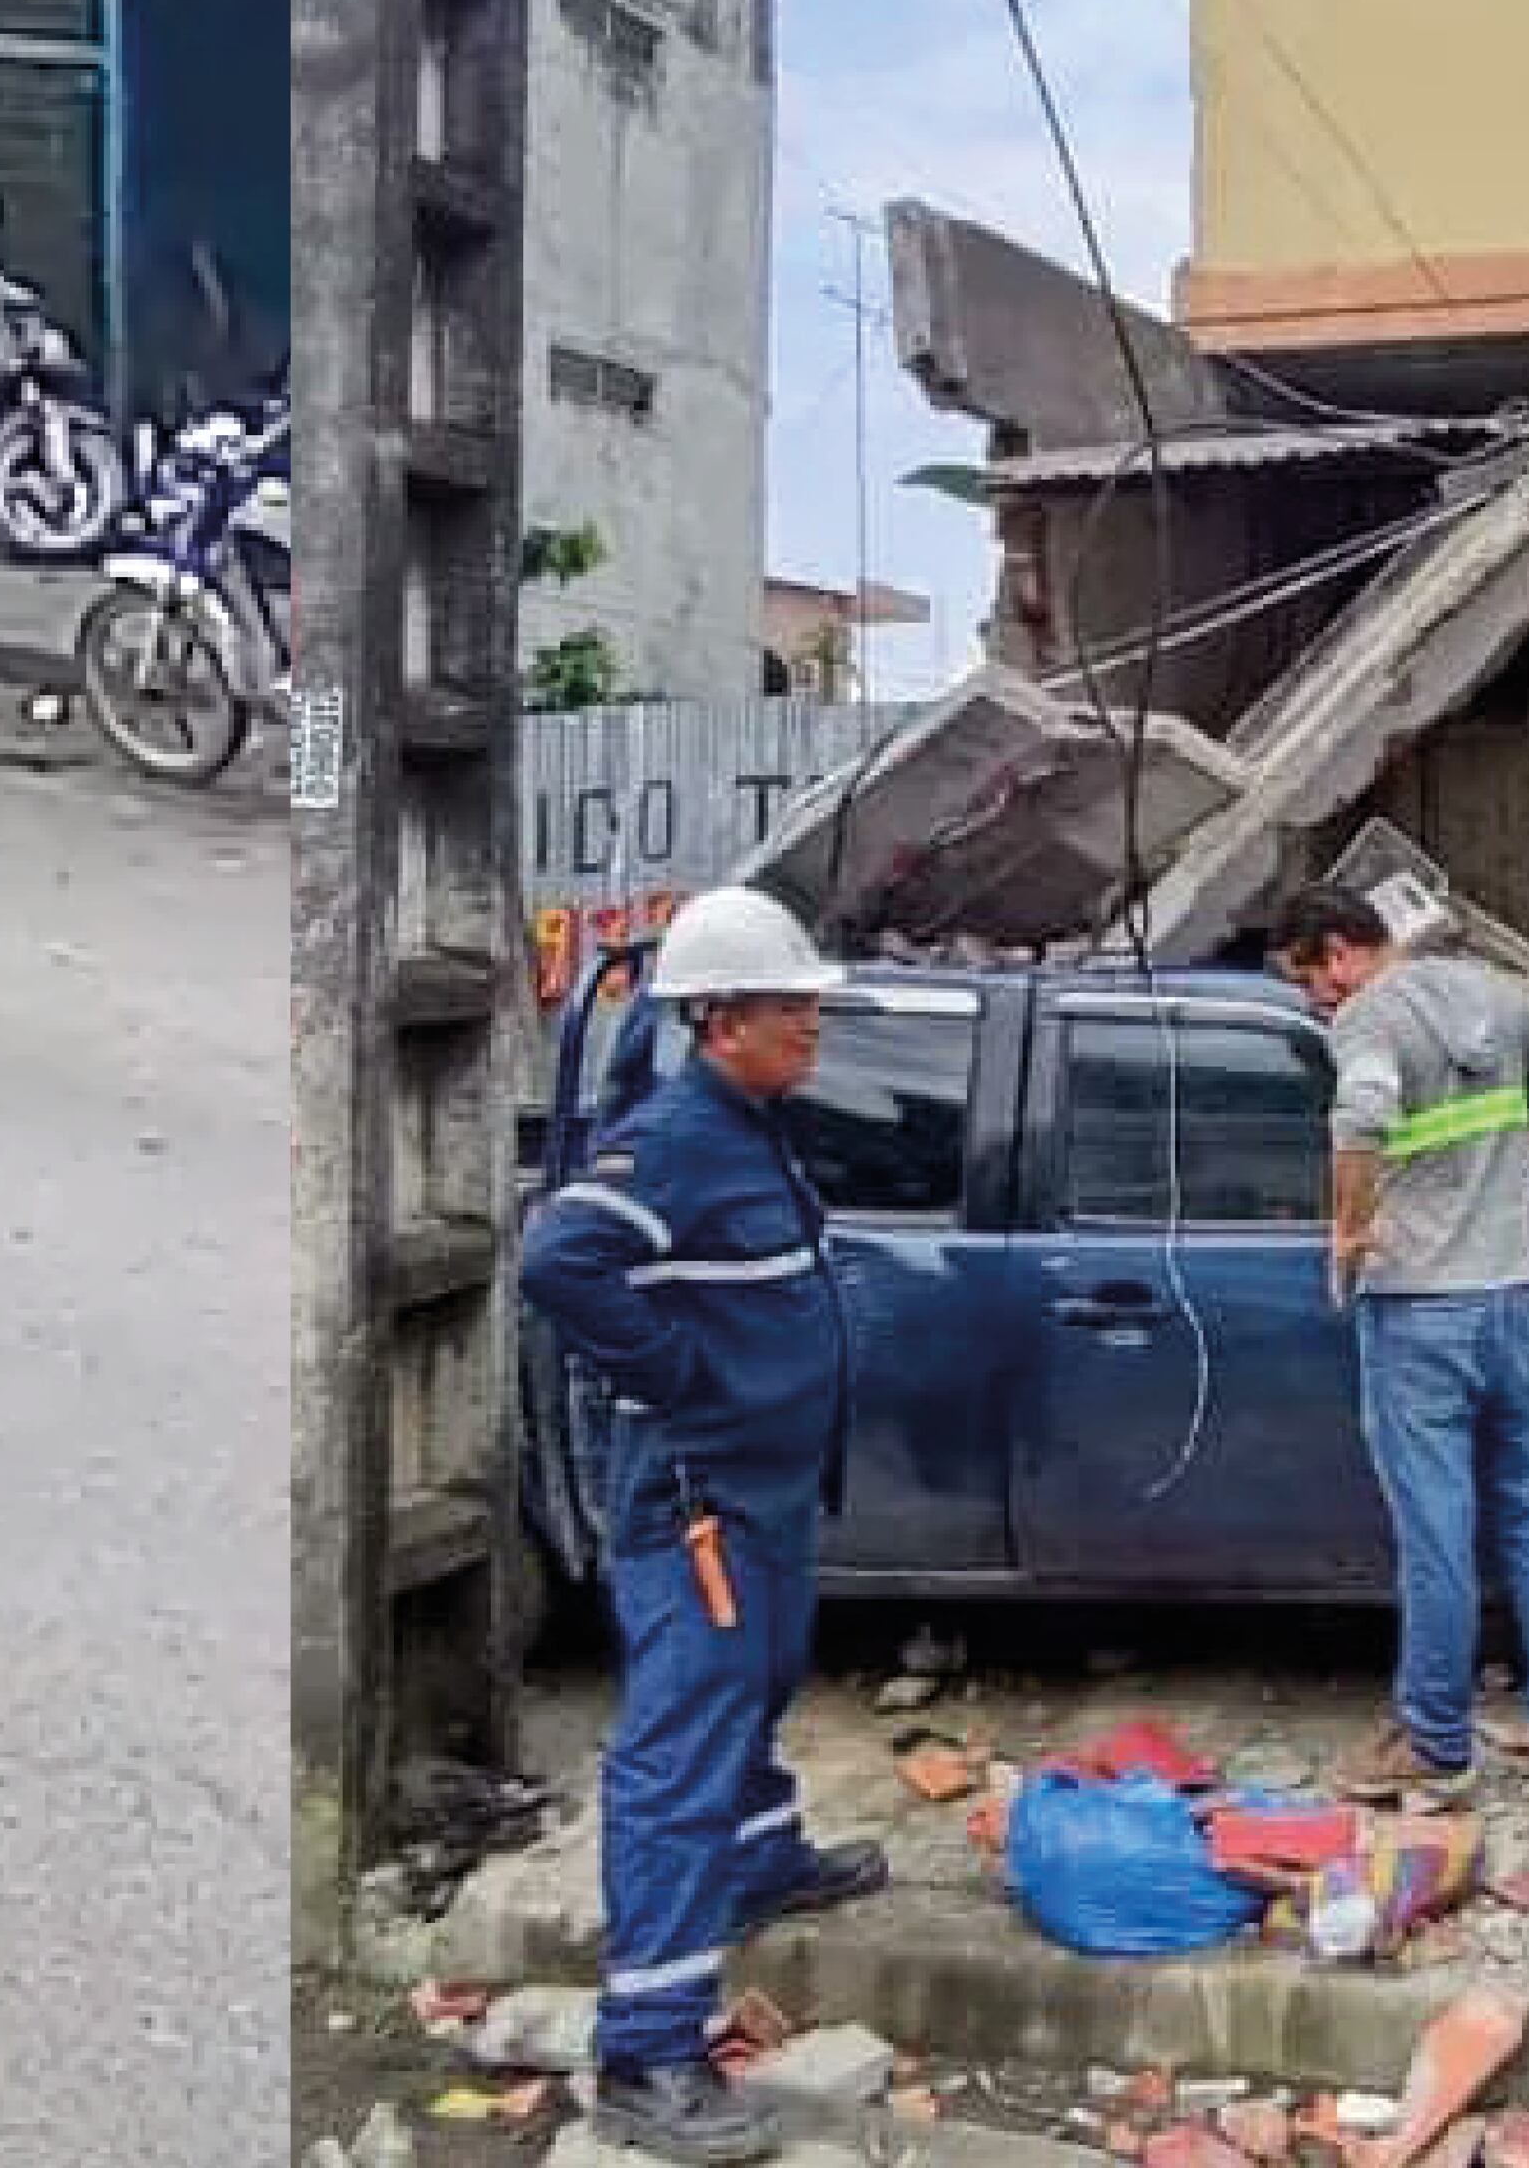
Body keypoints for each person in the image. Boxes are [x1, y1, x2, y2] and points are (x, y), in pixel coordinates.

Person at [513, 885, 889, 2168]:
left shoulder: (750, 1123)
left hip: (762, 1492)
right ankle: (648, 2049)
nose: (813, 1023)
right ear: (719, 1019)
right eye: (793, 1005)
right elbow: (557, 1259)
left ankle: (759, 1858)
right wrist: (682, 1378)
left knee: (758, 1678)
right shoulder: (677, 1136)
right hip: (698, 1502)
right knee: (679, 1747)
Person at [1269, 884, 1529, 1805]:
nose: (1316, 999)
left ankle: (1435, 1745)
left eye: (1311, 977)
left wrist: (1348, 1232)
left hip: (1425, 1310)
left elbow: (1359, 1119)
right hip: (1525, 1295)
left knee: (1437, 1536)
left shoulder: (1370, 1018)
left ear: (1344, 951)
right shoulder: (1500, 994)